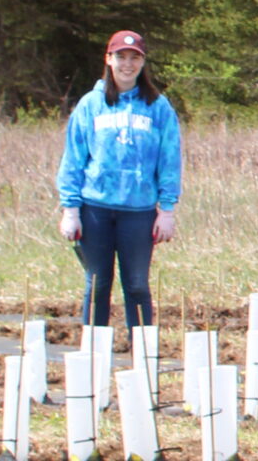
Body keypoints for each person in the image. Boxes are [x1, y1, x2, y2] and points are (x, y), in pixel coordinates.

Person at [56, 31, 181, 330]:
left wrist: (167, 210)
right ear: (108, 59)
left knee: (137, 285)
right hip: (95, 209)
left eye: (134, 58)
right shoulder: (90, 105)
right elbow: (73, 158)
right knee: (97, 284)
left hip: (139, 211)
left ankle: (142, 350)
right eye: (121, 57)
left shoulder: (158, 107)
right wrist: (70, 210)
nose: (127, 64)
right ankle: (94, 350)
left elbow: (170, 160)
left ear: (142, 62)